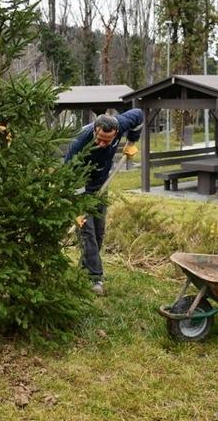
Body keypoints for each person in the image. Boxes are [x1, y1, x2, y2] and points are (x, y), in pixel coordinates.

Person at [64, 110, 144, 296]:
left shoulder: (121, 123)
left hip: (102, 185)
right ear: (95, 129)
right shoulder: (80, 142)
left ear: (116, 133)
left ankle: (84, 269)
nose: (102, 143)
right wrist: (76, 206)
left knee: (99, 232)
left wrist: (132, 142)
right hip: (80, 189)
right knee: (87, 232)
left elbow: (139, 116)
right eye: (99, 138)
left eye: (107, 141)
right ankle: (95, 278)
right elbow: (68, 175)